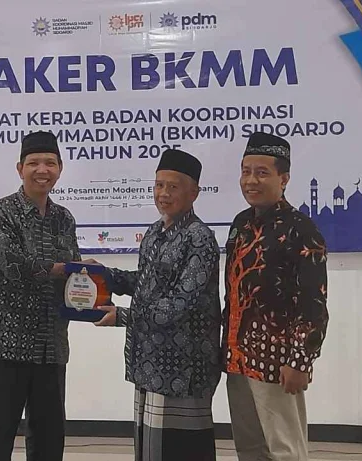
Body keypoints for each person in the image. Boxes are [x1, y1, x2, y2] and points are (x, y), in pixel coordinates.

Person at [95, 148, 222, 461]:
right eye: (159, 185)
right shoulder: (154, 233)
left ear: (194, 193)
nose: (163, 193)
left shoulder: (199, 238)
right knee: (152, 450)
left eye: (173, 187)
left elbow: (180, 304)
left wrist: (122, 316)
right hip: (150, 364)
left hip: (184, 368)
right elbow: (146, 283)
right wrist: (104, 276)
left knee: (181, 451)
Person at [223, 132, 329, 461]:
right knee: (250, 449)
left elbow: (314, 303)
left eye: (261, 172)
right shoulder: (241, 224)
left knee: (285, 451)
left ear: (284, 178)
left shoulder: (301, 229)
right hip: (238, 359)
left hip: (277, 362)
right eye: (245, 171)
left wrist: (300, 361)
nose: (250, 180)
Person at [0, 131, 83, 461]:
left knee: (50, 441)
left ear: (60, 168)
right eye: (34, 163)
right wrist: (61, 269)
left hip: (51, 348)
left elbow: (74, 273)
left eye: (50, 163)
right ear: (20, 168)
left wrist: (89, 280)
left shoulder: (64, 218)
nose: (42, 170)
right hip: (5, 348)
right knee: (0, 440)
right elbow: (12, 264)